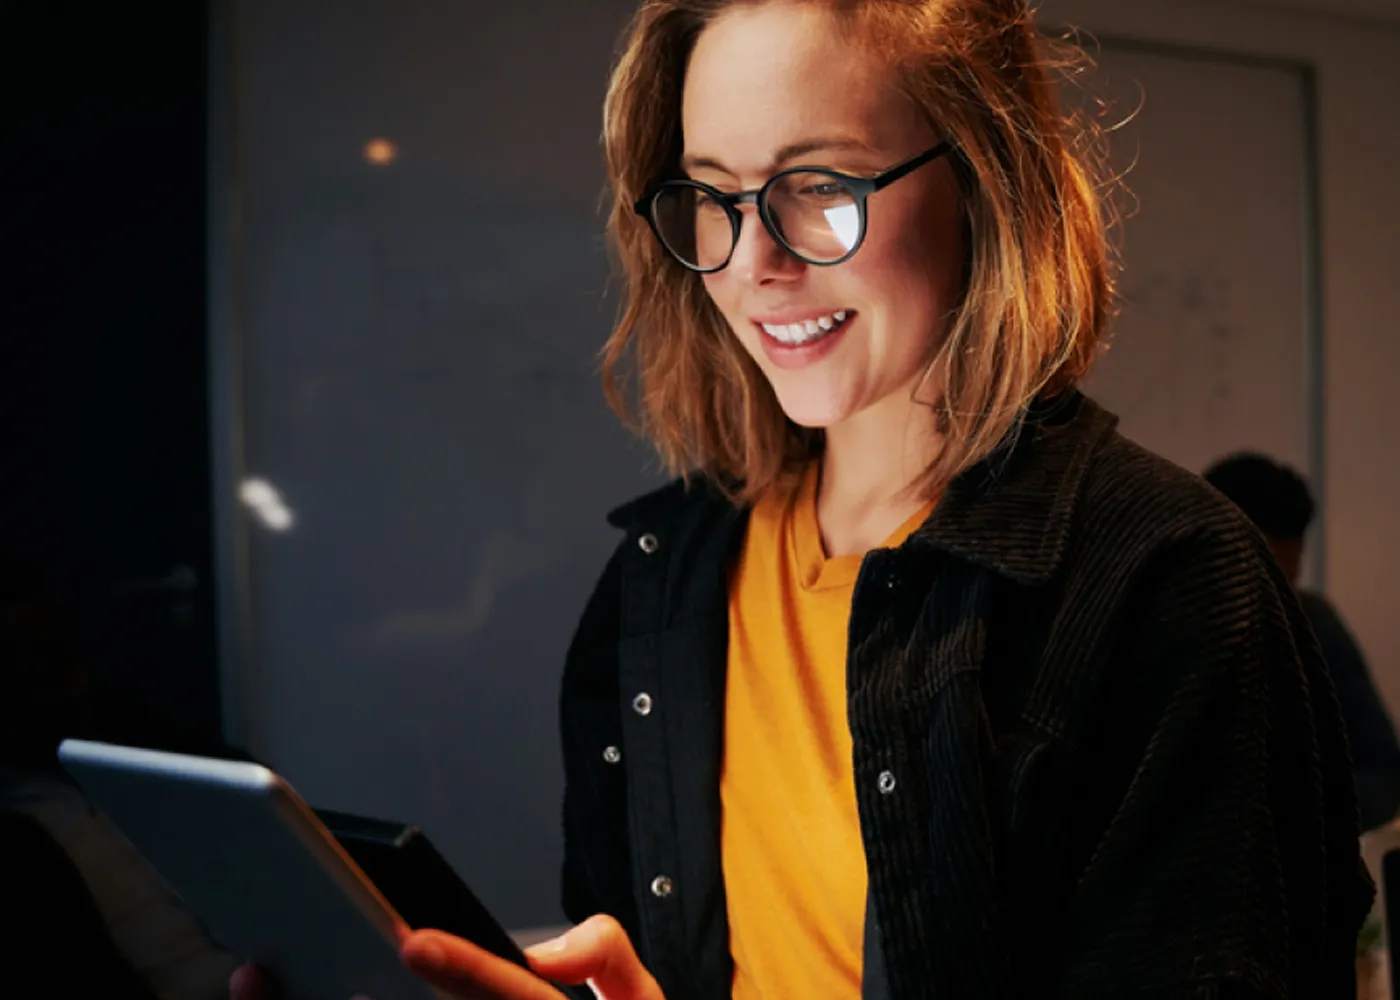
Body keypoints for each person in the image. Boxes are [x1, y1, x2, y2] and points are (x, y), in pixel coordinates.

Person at [236, 0, 1372, 997]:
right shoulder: (658, 584)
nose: (751, 264)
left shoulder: (1164, 581)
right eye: (713, 196)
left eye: (818, 187)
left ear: (984, 177)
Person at [0, 555, 238, 1000]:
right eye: (33, 669)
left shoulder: (140, 749)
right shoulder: (25, 834)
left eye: (63, 655)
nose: (71, 682)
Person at [1204, 452, 1400, 831]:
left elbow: (1383, 772)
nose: (1277, 600)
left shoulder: (1313, 624)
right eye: (1260, 578)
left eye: (1287, 581)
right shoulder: (1152, 630)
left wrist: (1302, 818)